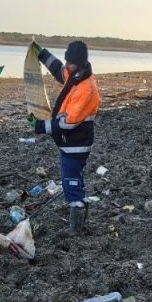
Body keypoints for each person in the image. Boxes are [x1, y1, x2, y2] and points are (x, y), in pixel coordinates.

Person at [29, 40, 101, 235]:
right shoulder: (77, 75)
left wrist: (39, 126)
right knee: (75, 179)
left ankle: (75, 229)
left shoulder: (86, 89)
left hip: (76, 145)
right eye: (67, 61)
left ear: (80, 62)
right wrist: (42, 54)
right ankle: (79, 221)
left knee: (71, 182)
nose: (67, 65)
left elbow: (67, 123)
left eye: (71, 62)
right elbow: (58, 70)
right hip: (71, 144)